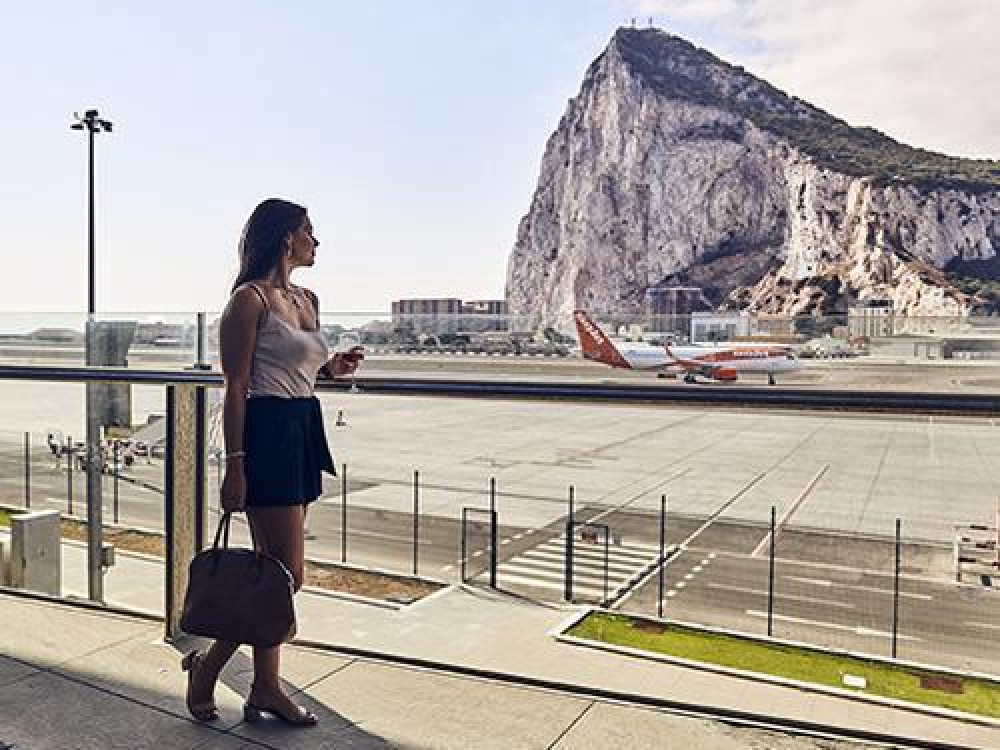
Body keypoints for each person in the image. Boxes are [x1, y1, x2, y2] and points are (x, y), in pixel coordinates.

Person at [181, 198, 363, 727]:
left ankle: (261, 686)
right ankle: (212, 668)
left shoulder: (307, 299)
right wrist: (235, 464)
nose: (316, 240)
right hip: (264, 433)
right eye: (309, 231)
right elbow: (235, 387)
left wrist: (333, 367)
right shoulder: (248, 300)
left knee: (276, 572)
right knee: (287, 576)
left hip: (302, 428)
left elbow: (302, 367)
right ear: (286, 237)